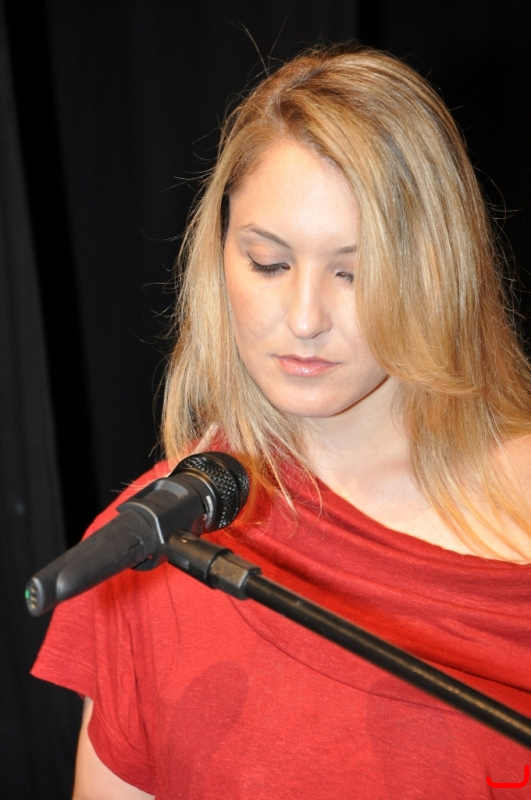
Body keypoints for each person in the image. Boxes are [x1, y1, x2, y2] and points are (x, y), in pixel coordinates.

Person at [33, 46, 531, 799]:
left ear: (435, 272)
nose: (303, 319)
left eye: (353, 273)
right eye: (268, 263)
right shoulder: (154, 541)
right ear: (220, 257)